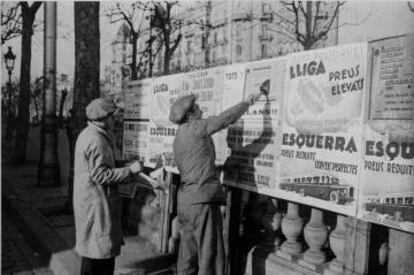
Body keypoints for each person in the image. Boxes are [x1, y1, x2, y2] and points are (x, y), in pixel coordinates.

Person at [169, 82, 268, 275]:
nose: (200, 110)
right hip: (202, 203)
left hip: (186, 202)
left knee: (187, 254)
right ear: (189, 115)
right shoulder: (197, 127)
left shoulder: (179, 136)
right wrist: (249, 101)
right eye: (197, 108)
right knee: (209, 254)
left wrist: (222, 167)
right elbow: (225, 119)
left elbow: (194, 167)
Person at [73, 98, 142, 275]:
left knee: (94, 251)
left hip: (91, 202)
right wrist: (129, 170)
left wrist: (122, 163)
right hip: (97, 204)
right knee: (98, 255)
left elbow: (102, 165)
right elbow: (100, 174)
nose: (114, 120)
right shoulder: (96, 139)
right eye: (112, 116)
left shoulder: (90, 134)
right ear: (103, 117)